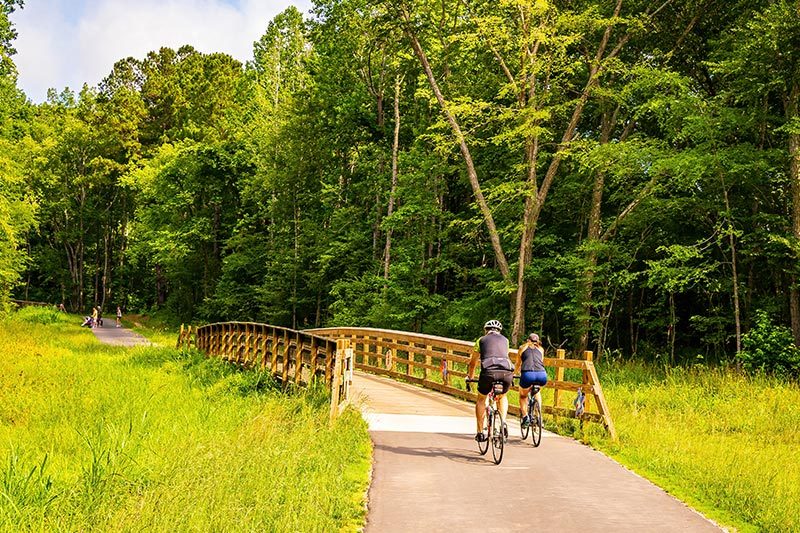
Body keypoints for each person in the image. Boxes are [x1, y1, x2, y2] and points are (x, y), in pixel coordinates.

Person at [467, 320, 514, 443]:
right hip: (506, 372)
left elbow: (473, 363)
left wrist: (470, 377)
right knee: (503, 397)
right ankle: (503, 422)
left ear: (486, 330)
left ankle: (480, 432)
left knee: (481, 399)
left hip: (489, 372)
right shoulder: (506, 340)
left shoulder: (481, 340)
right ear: (499, 331)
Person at [515, 333, 548, 428]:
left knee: (523, 396)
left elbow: (518, 363)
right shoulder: (541, 349)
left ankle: (525, 417)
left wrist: (514, 374)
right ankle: (539, 416)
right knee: (537, 392)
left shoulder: (522, 348)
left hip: (528, 374)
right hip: (542, 374)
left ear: (528, 340)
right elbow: (540, 361)